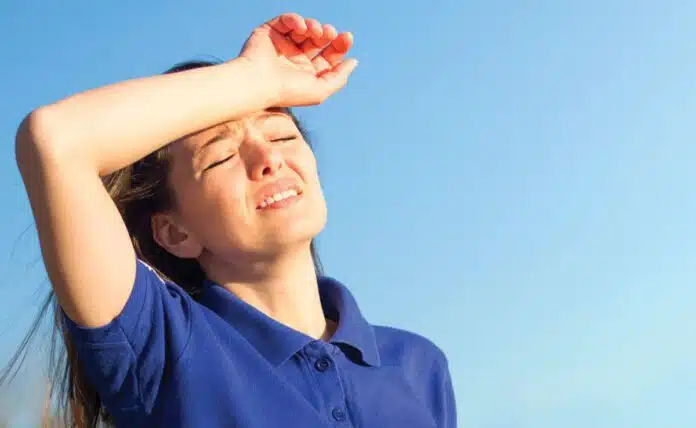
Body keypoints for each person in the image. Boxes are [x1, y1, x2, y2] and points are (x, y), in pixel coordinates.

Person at [11, 12, 456, 428]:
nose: (269, 159)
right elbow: (56, 139)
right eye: (222, 157)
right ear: (174, 232)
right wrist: (255, 78)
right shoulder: (165, 348)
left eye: (282, 134)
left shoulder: (419, 365)